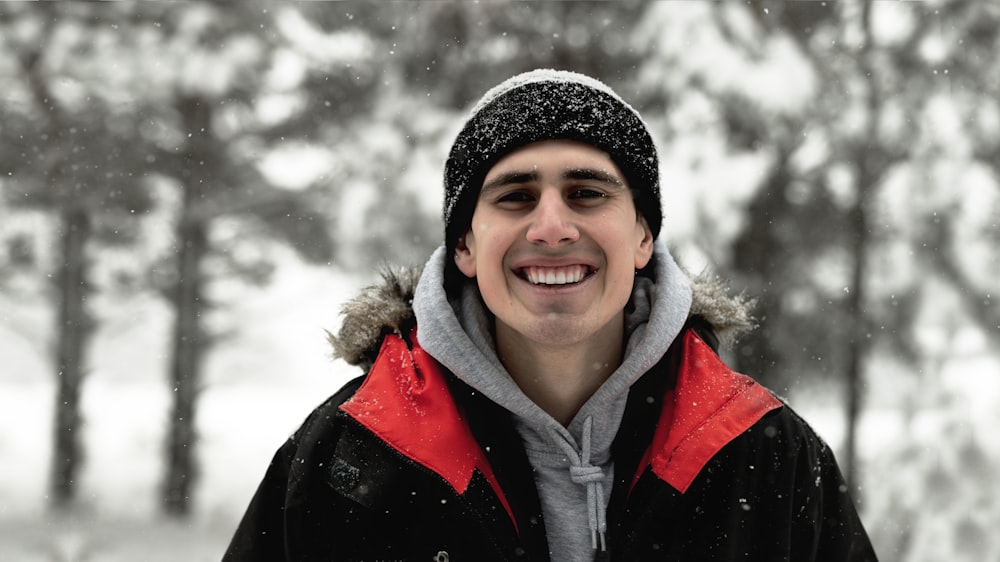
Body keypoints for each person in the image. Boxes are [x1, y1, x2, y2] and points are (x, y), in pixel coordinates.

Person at [223, 69, 877, 561]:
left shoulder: (764, 455)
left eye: (588, 192)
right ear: (464, 246)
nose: (553, 226)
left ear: (645, 236)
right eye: (515, 196)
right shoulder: (354, 458)